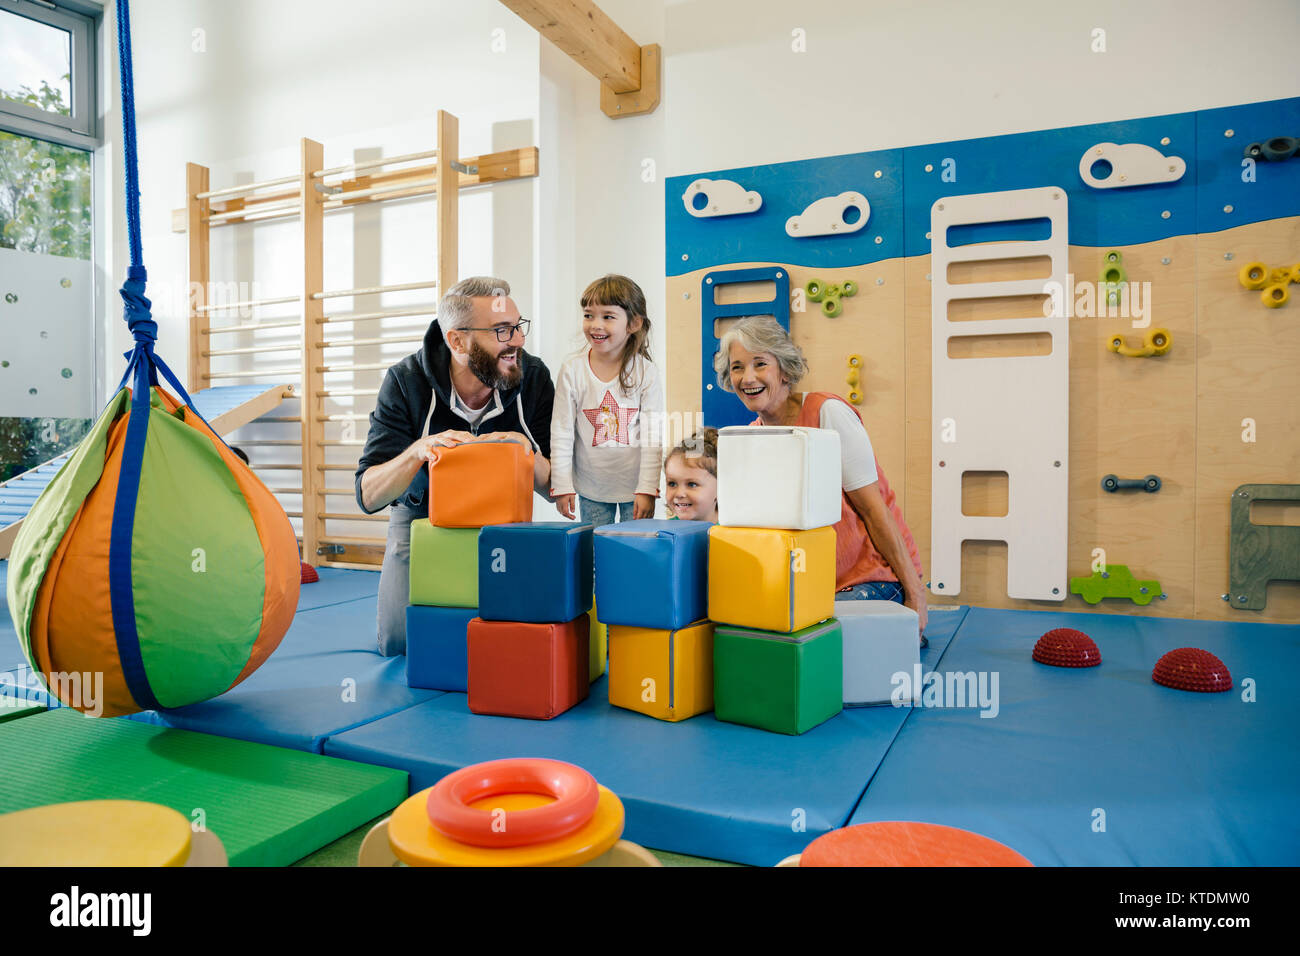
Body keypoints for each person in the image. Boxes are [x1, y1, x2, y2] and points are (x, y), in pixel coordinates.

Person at [355, 276, 554, 656]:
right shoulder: (405, 381)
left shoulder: (533, 377)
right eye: (501, 331)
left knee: (509, 645)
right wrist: (418, 451)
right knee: (399, 644)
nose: (517, 341)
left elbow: (555, 487)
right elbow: (368, 495)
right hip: (422, 518)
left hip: (503, 523)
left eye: (517, 327)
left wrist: (525, 453)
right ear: (457, 341)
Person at [716, 316, 928, 639]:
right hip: (813, 587)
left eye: (760, 364)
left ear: (784, 370)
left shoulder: (827, 413)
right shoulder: (751, 437)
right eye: (737, 367)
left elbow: (875, 510)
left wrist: (916, 596)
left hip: (871, 579)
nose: (748, 378)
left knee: (816, 639)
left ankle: (894, 629)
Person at [549, 275, 662, 526]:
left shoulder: (646, 372)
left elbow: (653, 436)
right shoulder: (572, 370)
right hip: (592, 488)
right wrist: (562, 484)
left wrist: (647, 488)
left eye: (608, 316)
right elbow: (561, 431)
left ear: (633, 323)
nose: (595, 325)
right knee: (597, 553)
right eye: (589, 315)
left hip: (635, 488)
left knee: (633, 550)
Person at [663, 428, 719, 522]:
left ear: (721, 489)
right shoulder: (668, 531)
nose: (679, 494)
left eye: (692, 484)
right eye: (672, 484)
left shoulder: (733, 533)